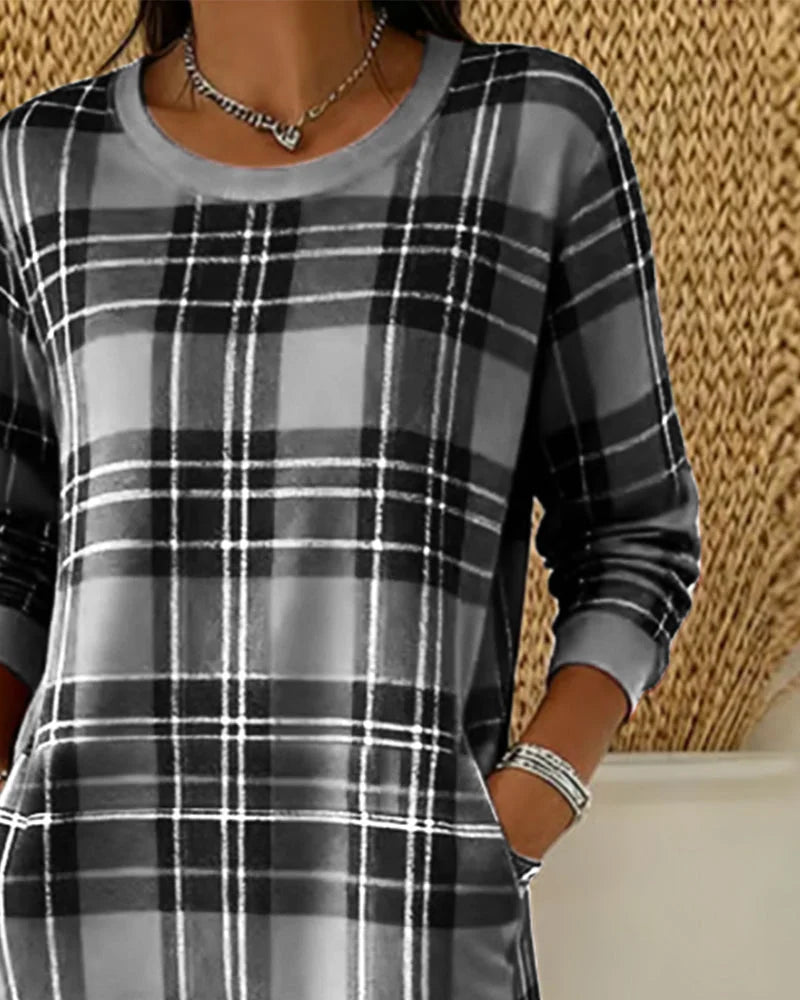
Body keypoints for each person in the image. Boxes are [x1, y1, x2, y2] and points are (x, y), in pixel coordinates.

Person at [0, 1, 701, 998]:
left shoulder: (531, 132)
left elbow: (634, 528)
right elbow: (12, 546)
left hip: (406, 911)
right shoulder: (40, 165)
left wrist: (529, 802)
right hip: (84, 912)